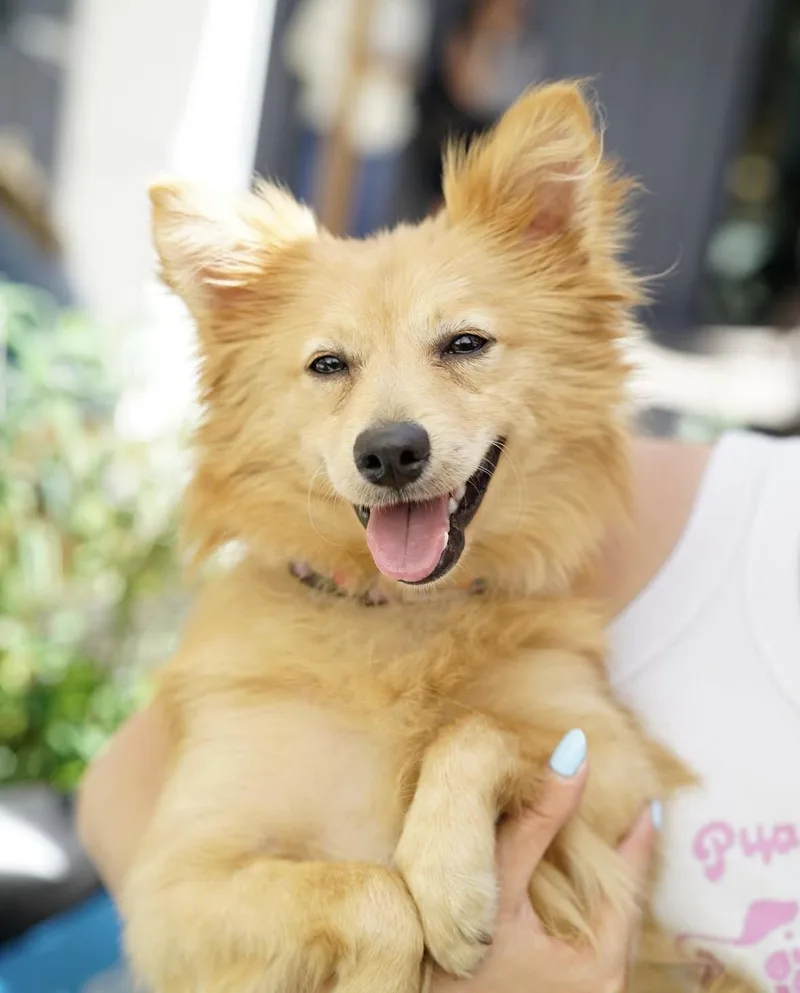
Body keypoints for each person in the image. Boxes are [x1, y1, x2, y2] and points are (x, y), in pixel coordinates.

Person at [77, 430, 800, 990]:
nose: (394, 428)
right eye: (332, 364)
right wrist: (369, 930)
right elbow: (140, 840)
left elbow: (611, 793)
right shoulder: (277, 609)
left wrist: (479, 759)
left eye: (460, 347)